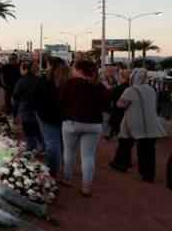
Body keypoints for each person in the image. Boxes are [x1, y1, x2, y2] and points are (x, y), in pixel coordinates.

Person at [59, 59, 110, 197]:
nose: (72, 70)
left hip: (72, 122)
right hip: (94, 125)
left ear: (79, 70)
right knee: (88, 156)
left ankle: (67, 178)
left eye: (74, 68)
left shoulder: (70, 84)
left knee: (69, 152)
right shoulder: (99, 86)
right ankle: (86, 186)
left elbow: (61, 103)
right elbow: (107, 106)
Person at [114, 68, 168, 182]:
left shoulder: (131, 90)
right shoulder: (152, 90)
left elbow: (120, 104)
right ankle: (148, 174)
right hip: (152, 125)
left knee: (127, 143)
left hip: (136, 124)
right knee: (149, 151)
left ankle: (122, 164)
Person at [33, 57, 69, 177]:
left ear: (51, 66)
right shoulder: (68, 82)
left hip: (46, 114)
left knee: (52, 141)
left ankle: (53, 168)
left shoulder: (45, 81)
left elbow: (36, 96)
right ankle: (65, 167)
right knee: (62, 142)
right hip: (63, 115)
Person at [12, 60, 42, 152]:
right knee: (38, 128)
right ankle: (43, 147)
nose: (20, 70)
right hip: (38, 108)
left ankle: (31, 148)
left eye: (21, 68)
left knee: (28, 129)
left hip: (25, 108)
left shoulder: (21, 81)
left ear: (25, 69)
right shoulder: (39, 80)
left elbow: (16, 96)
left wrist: (14, 112)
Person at [107, 69, 131, 170]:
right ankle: (126, 160)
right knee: (127, 140)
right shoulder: (130, 88)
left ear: (121, 77)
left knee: (122, 140)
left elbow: (113, 100)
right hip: (128, 116)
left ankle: (121, 161)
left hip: (119, 115)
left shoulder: (119, 88)